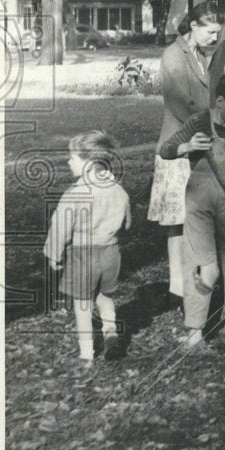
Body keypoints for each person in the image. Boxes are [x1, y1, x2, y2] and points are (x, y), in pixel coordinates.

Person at [160, 71, 225, 349]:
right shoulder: (199, 122)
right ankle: (194, 333)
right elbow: (165, 149)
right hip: (199, 203)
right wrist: (187, 146)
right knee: (203, 264)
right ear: (220, 101)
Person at [148, 3, 224, 313]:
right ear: (192, 25)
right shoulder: (172, 56)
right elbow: (181, 105)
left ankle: (196, 284)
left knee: (195, 219)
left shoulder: (203, 57)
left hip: (200, 143)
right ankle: (176, 288)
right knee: (177, 224)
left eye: (218, 33)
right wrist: (209, 129)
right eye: (210, 31)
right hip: (178, 146)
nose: (214, 38)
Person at [44, 131, 131, 365]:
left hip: (83, 254)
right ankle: (110, 330)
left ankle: (86, 354)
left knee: (82, 306)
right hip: (111, 252)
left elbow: (60, 226)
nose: (69, 161)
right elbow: (127, 222)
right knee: (105, 296)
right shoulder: (118, 190)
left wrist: (54, 254)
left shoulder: (75, 193)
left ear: (89, 163)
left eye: (73, 157)